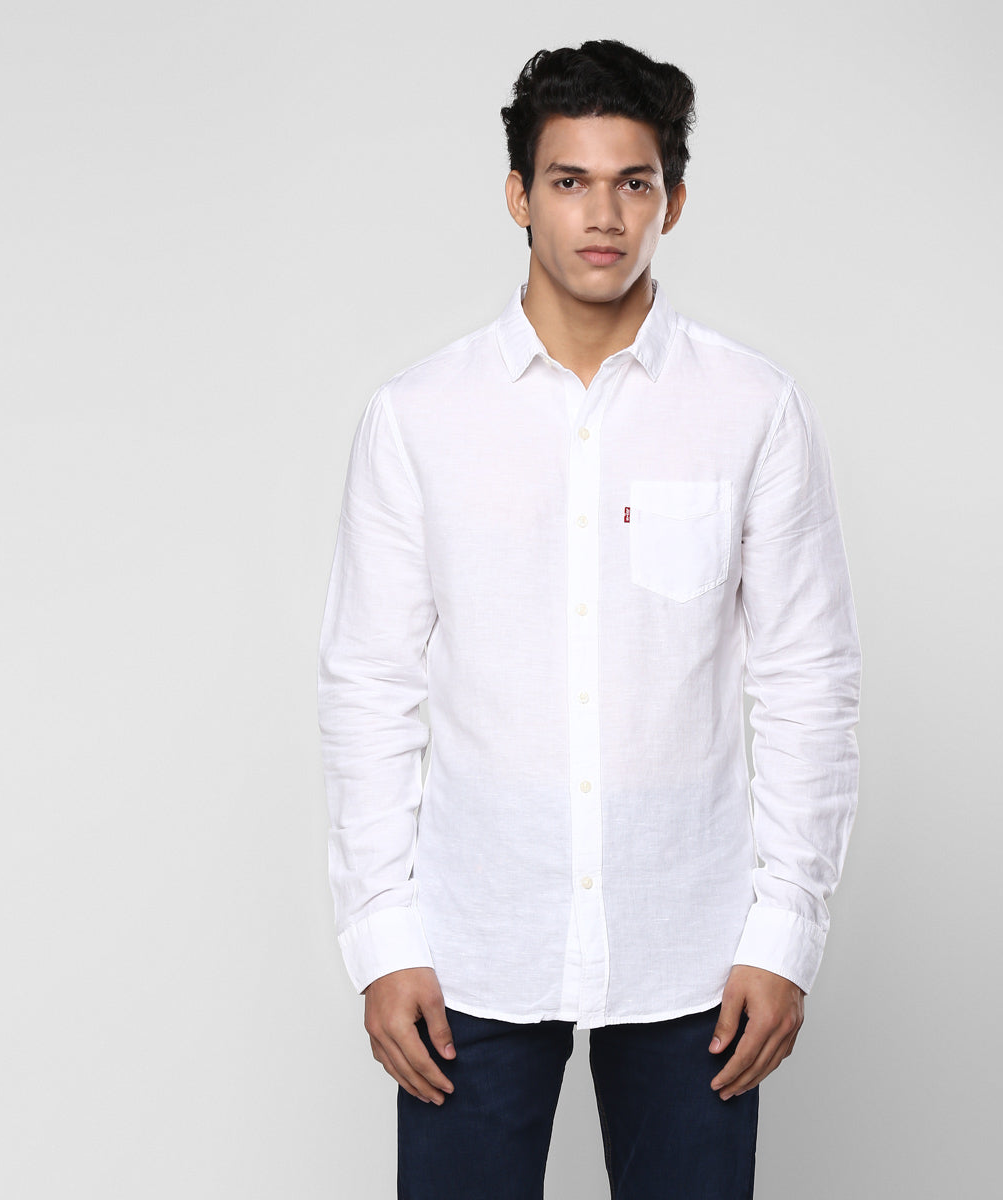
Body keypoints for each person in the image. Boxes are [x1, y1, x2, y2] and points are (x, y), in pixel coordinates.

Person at [317, 38, 862, 1200]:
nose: (603, 215)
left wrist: (784, 933)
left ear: (675, 200)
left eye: (634, 182)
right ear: (520, 195)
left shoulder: (753, 409)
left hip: (693, 952)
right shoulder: (418, 418)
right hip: (471, 943)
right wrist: (382, 937)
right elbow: (368, 686)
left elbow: (808, 682)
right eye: (570, 180)